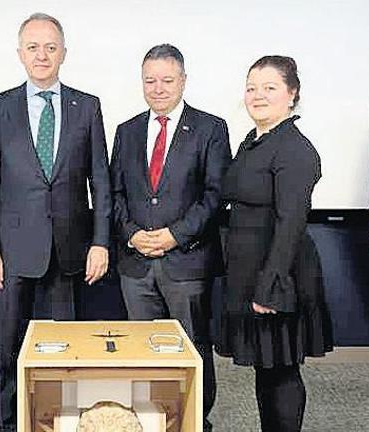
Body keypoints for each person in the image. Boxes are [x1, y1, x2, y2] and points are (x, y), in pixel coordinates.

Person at [0, 13, 111, 431]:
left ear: (64, 53)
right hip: (13, 250)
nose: (42, 55)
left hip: (71, 248)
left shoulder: (87, 106)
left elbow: (100, 181)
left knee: (67, 347)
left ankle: (64, 421)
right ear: (20, 53)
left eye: (51, 47)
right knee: (10, 346)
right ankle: (9, 423)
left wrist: (101, 241)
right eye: (33, 47)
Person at [110, 44, 231, 432]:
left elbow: (215, 195)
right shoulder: (127, 131)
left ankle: (196, 422)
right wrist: (131, 234)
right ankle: (150, 422)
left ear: (183, 81)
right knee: (142, 354)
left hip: (187, 262)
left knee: (191, 350)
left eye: (167, 80)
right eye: (150, 80)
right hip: (136, 264)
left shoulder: (211, 128)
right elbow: (114, 193)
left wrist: (174, 235)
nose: (158, 88)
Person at [216, 55, 334, 432]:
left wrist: (270, 285)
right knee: (265, 367)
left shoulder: (294, 148)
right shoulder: (254, 141)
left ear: (292, 94)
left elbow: (290, 222)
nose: (258, 95)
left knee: (281, 370)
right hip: (249, 271)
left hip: (279, 274)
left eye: (270, 87)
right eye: (251, 88)